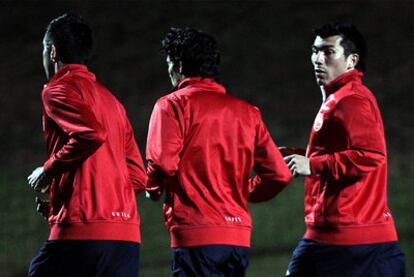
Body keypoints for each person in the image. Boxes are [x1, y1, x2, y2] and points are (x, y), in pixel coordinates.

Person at [145, 27, 292, 276]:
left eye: (169, 63)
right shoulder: (248, 112)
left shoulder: (171, 105)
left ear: (179, 65)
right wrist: (241, 191)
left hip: (195, 234)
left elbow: (162, 164)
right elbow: (280, 174)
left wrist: (152, 188)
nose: (169, 71)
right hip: (237, 239)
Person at [27, 14, 147, 277]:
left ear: (53, 51)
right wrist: (60, 205)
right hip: (125, 236)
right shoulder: (113, 102)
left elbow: (90, 134)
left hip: (81, 232)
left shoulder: (57, 90)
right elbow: (138, 177)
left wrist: (48, 172)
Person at [283, 22, 406, 276]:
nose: (318, 59)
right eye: (315, 51)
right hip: (341, 236)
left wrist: (312, 164)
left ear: (351, 60)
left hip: (352, 240)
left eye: (328, 52)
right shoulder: (337, 97)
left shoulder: (351, 99)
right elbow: (341, 151)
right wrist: (296, 155)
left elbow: (371, 155)